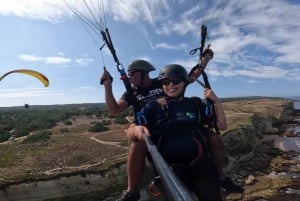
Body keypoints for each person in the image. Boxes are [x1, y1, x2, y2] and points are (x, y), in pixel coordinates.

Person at [101, 56, 242, 201]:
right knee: (137, 143)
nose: (170, 85)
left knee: (215, 137)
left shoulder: (165, 82)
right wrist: (107, 86)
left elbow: (190, 76)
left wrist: (204, 61)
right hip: (155, 126)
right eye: (167, 83)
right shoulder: (135, 95)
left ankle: (221, 177)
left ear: (144, 74)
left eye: (132, 74)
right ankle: (132, 191)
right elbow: (115, 110)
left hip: (183, 122)